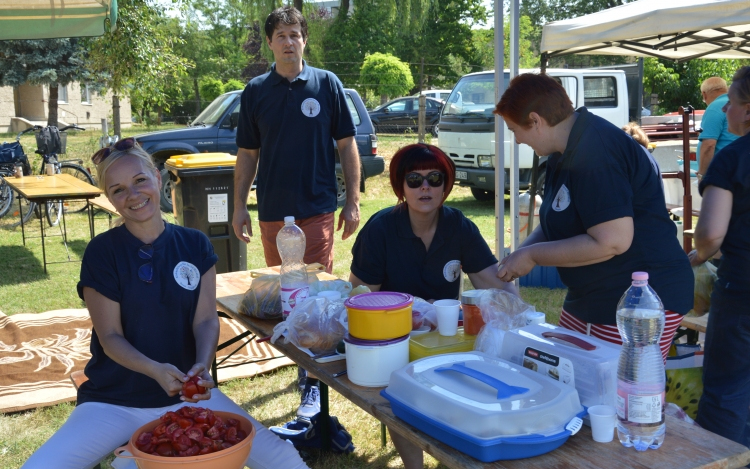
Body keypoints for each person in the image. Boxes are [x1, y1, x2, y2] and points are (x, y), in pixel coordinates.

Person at [22, 139, 308, 469]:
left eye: (140, 180)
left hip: (187, 394)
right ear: (110, 199)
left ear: (158, 179)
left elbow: (204, 321)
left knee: (285, 459)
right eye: (118, 190)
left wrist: (201, 366)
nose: (133, 195)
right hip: (114, 400)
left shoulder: (194, 243)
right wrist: (156, 371)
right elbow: (110, 337)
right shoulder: (103, 252)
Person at [494, 73, 693, 362]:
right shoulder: (562, 152)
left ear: (536, 120)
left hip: (638, 298)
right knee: (564, 374)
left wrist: (533, 257)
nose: (517, 141)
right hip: (591, 295)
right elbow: (556, 225)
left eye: (515, 130)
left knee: (613, 394)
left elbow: (613, 241)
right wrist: (522, 253)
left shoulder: (597, 150)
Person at [349, 143, 518, 469]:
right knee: (401, 392)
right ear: (401, 187)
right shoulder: (381, 229)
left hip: (446, 338)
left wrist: (520, 312)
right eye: (413, 179)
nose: (425, 187)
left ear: (446, 185)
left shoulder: (459, 227)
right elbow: (359, 299)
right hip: (391, 343)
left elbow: (496, 287)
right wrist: (403, 317)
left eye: (434, 178)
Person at [231, 6, 360, 418]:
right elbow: (247, 155)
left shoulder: (327, 84)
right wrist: (239, 207)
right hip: (272, 213)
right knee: (289, 298)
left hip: (317, 208)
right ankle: (305, 368)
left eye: (295, 34)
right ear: (270, 42)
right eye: (281, 35)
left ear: (305, 40)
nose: (289, 41)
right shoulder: (255, 91)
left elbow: (347, 146)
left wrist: (353, 200)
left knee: (314, 296)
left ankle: (312, 383)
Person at [689, 66, 750, 448]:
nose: (725, 110)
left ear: (747, 110)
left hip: (743, 291)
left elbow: (710, 233)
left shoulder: (733, 159)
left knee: (726, 395)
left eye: (731, 103)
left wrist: (698, 255)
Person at [697, 77, 738, 178]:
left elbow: (709, 145)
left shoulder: (715, 107)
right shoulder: (738, 103)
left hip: (724, 174)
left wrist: (702, 175)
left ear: (704, 94)